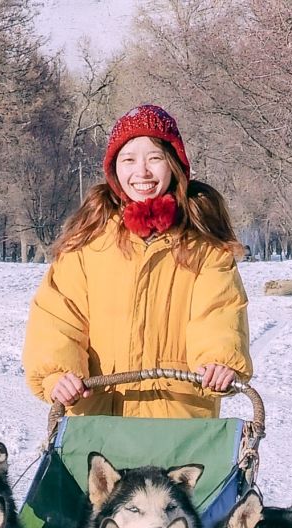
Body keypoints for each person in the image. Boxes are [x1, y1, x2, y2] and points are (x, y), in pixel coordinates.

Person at [22, 104, 252, 418]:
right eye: (128, 160)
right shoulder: (88, 242)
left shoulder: (205, 247)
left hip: (179, 420)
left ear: (174, 165)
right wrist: (57, 374)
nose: (141, 172)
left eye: (154, 158)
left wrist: (220, 361)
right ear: (115, 168)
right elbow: (58, 316)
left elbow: (219, 312)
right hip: (98, 418)